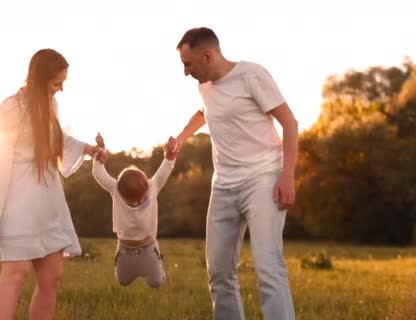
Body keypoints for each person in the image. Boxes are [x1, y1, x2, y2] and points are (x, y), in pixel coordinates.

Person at [174, 27, 298, 320]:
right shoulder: (204, 84)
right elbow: (205, 112)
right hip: (223, 186)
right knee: (218, 273)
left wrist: (287, 175)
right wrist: (181, 138)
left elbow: (290, 124)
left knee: (268, 267)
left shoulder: (252, 75)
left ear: (208, 55)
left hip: (262, 179)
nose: (185, 72)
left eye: (188, 64)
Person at [0, 48, 99, 320]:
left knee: (52, 275)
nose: (62, 88)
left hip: (46, 202)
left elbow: (56, 139)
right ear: (39, 78)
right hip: (17, 202)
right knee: (16, 274)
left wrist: (89, 149)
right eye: (57, 82)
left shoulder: (51, 104)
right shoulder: (11, 108)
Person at [91, 133, 178, 288]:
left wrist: (170, 155)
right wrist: (100, 156)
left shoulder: (153, 186)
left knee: (156, 282)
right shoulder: (115, 189)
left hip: (148, 249)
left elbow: (165, 170)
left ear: (146, 189)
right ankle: (128, 270)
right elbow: (100, 175)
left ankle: (158, 268)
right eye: (130, 201)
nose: (136, 204)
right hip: (125, 249)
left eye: (140, 199)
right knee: (123, 282)